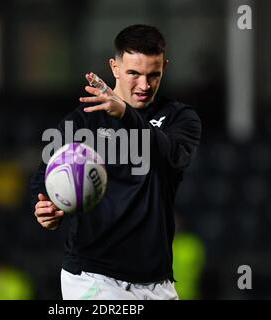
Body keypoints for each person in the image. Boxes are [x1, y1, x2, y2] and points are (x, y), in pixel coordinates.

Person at [31, 24, 201, 300]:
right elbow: (43, 177)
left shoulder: (180, 118)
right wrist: (42, 207)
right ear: (115, 67)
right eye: (134, 73)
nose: (144, 85)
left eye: (153, 75)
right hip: (92, 277)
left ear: (164, 68)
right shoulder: (83, 121)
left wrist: (125, 115)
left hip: (157, 282)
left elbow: (172, 156)